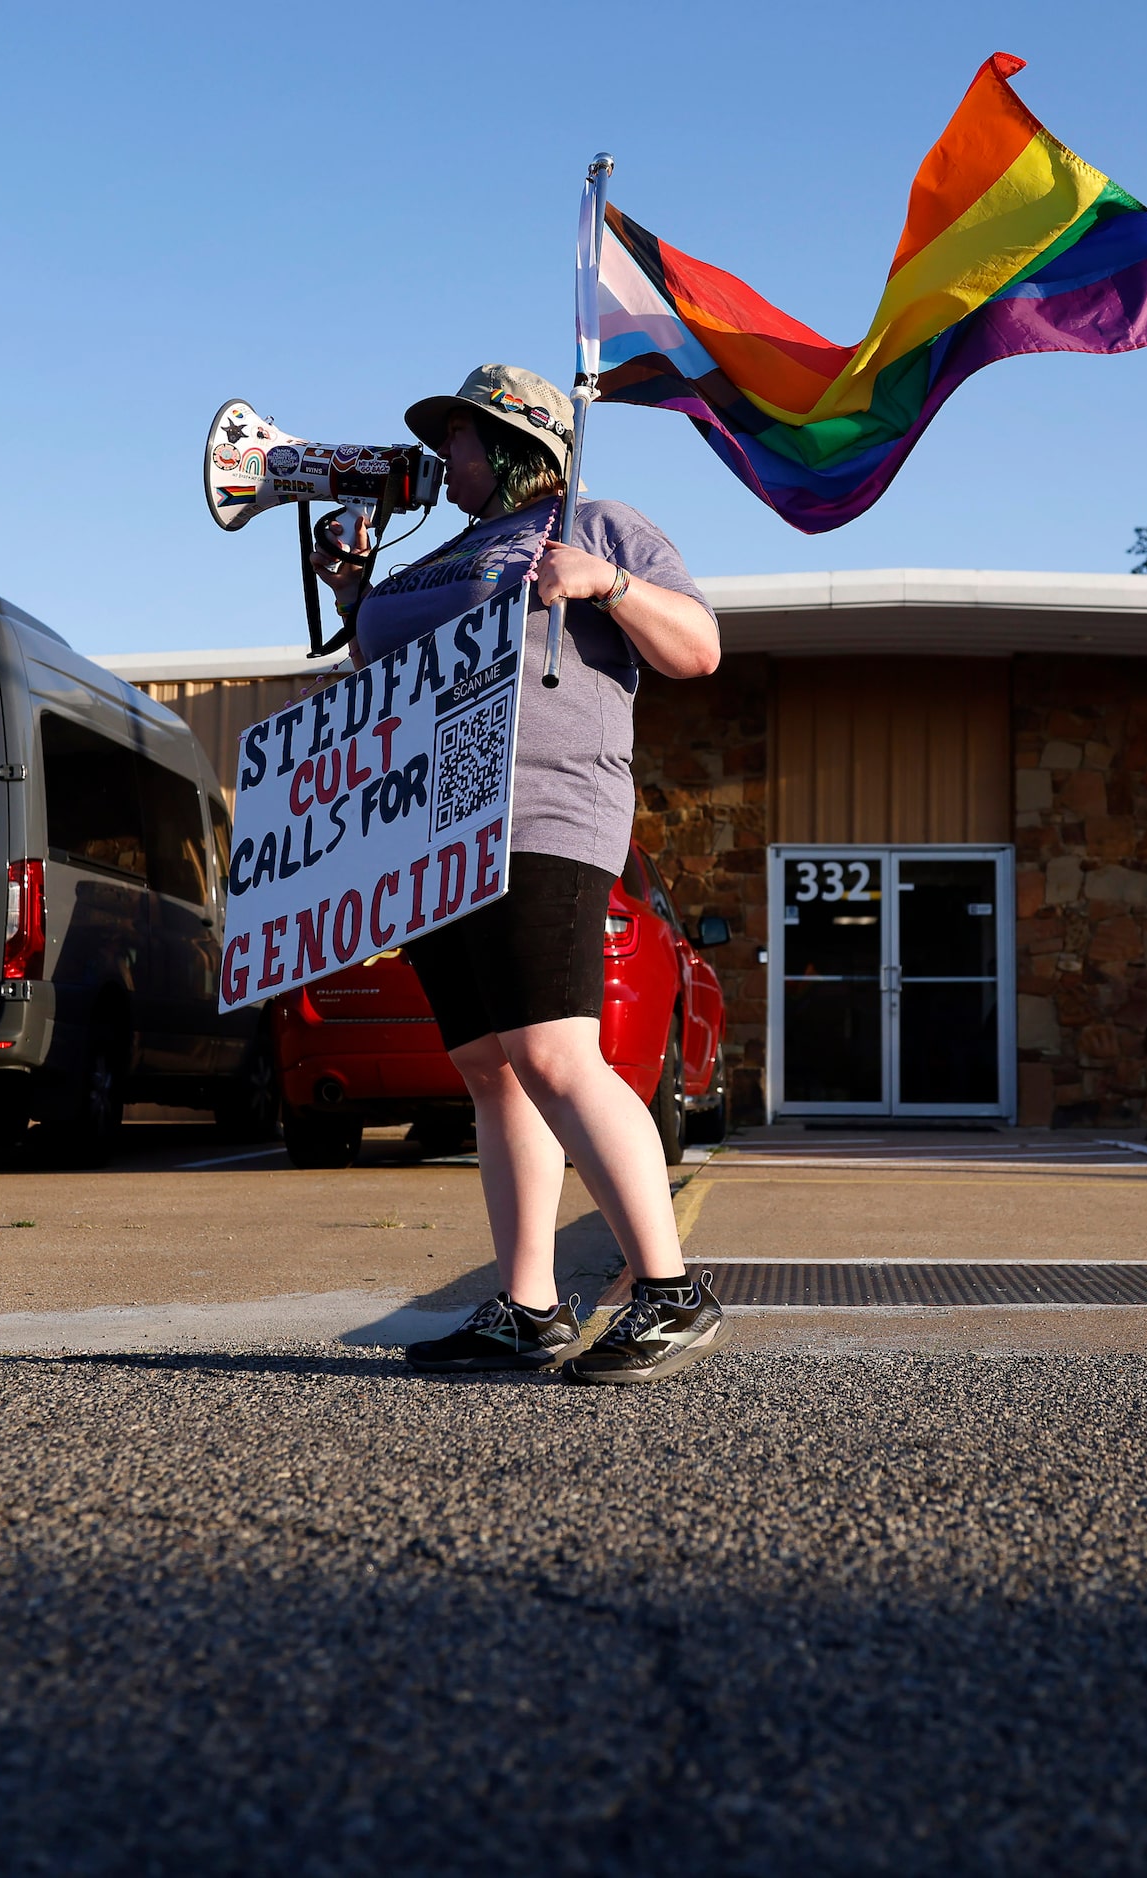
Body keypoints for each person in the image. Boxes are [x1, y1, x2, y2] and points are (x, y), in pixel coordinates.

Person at [313, 363, 725, 1385]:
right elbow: (380, 674)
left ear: (511, 446)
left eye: (455, 438)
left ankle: (669, 1290)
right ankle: (528, 1307)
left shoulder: (597, 524)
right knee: (489, 1070)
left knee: (550, 1053)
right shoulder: (445, 556)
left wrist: (609, 585)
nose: (440, 457)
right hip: (438, 830)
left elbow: (699, 650)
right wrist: (355, 593)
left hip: (543, 816)